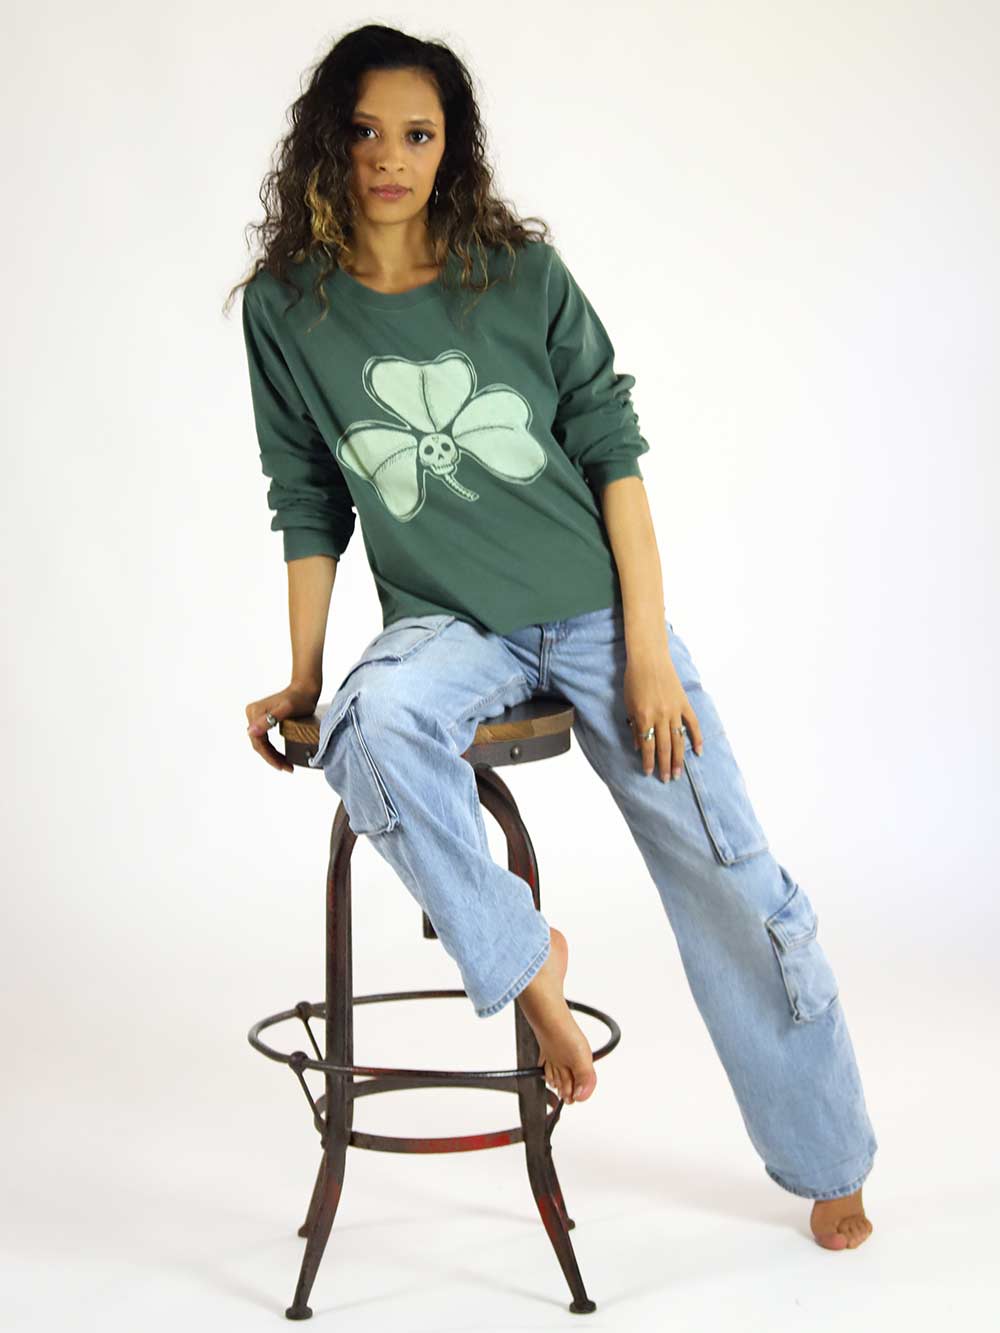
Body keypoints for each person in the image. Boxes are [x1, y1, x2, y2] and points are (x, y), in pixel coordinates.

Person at [228, 23, 877, 1251]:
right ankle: (531, 962)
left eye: (417, 134)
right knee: (365, 729)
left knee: (730, 872)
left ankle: (826, 1154)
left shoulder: (515, 274)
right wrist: (307, 676)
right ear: (327, 139)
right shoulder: (287, 311)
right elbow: (305, 496)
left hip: (592, 614)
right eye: (364, 131)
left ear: (450, 148)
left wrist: (642, 647)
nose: (389, 158)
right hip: (445, 627)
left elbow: (613, 455)